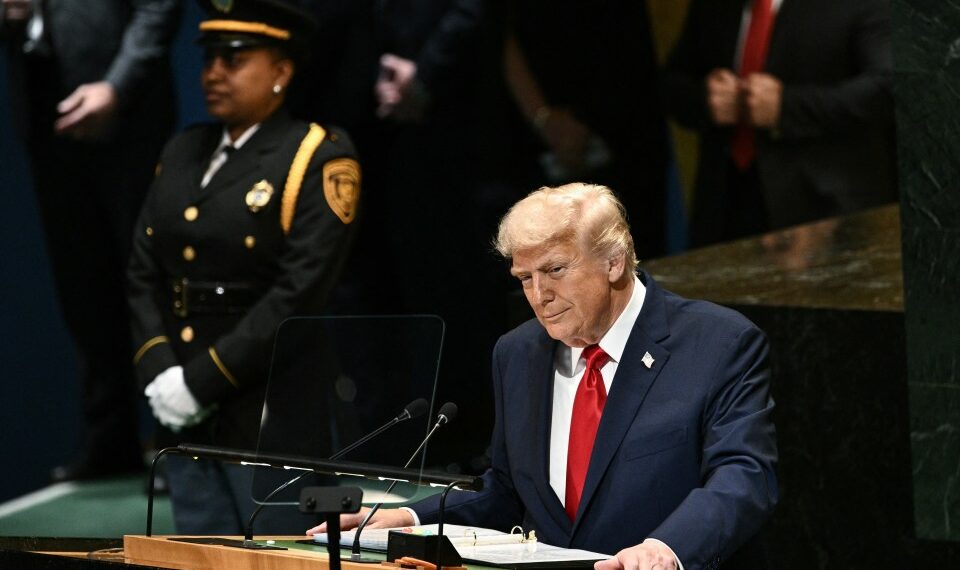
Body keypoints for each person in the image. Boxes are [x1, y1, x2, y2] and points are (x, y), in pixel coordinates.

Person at [310, 183, 778, 570]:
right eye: (524, 278)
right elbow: (506, 493)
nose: (539, 296)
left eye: (554, 270)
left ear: (614, 260)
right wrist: (410, 517)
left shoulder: (716, 343)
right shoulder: (517, 353)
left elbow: (742, 476)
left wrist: (667, 549)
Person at [128, 0, 361, 534]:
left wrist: (199, 382)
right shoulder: (184, 149)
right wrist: (161, 370)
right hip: (182, 412)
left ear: (281, 70)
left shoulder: (316, 157)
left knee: (281, 556)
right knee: (197, 555)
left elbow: (298, 292)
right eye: (209, 58)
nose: (213, 73)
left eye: (234, 60)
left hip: (269, 413)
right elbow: (144, 272)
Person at [0, 0, 180, 482]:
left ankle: (175, 438)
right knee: (80, 287)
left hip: (127, 118)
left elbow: (158, 8)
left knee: (150, 281)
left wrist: (117, 86)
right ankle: (110, 437)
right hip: (43, 113)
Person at [663, 0, 898, 247]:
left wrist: (785, 107)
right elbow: (670, 85)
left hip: (824, 214)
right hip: (724, 208)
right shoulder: (713, 6)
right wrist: (704, 99)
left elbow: (885, 89)